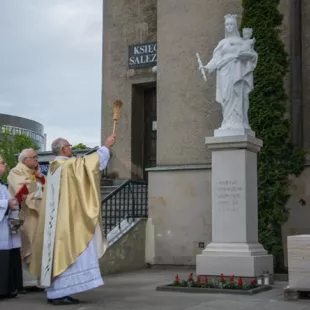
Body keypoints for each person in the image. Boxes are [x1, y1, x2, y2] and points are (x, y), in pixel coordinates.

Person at [30, 135, 116, 306]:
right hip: (65, 222)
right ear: (63, 149)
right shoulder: (66, 166)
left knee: (58, 255)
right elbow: (87, 165)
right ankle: (58, 294)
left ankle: (61, 292)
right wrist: (105, 147)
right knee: (67, 252)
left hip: (56, 222)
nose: (72, 148)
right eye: (69, 146)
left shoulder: (54, 167)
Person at [199, 14, 258, 132]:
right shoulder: (222, 43)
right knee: (226, 98)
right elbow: (216, 59)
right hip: (224, 74)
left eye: (231, 24)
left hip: (237, 72)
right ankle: (227, 122)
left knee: (238, 96)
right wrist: (207, 67)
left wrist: (247, 56)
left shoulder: (243, 41)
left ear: (235, 26)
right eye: (227, 25)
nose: (229, 27)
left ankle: (239, 122)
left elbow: (253, 55)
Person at [7, 148, 45, 290]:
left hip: (36, 214)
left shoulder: (34, 173)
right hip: (24, 214)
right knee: (27, 244)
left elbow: (43, 187)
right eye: (34, 157)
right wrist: (38, 183)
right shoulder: (16, 172)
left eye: (37, 157)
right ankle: (27, 282)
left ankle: (35, 280)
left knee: (37, 244)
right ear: (25, 160)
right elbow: (22, 189)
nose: (37, 159)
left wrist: (40, 177)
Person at [0, 155, 23, 299]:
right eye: (2, 162)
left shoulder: (2, 186)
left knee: (5, 260)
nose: (5, 165)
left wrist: (14, 203)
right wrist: (5, 204)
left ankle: (6, 288)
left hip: (4, 228)